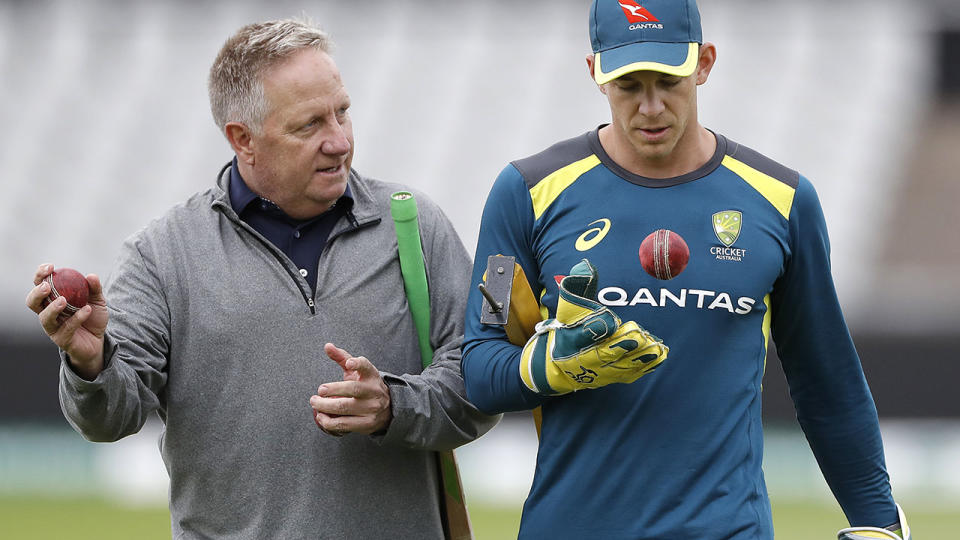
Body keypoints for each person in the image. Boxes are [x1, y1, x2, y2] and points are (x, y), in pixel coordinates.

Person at [25, 18, 497, 539]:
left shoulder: (413, 225)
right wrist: (91, 363)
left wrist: (395, 405)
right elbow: (110, 418)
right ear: (242, 139)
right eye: (309, 124)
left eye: (342, 113)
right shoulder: (162, 254)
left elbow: (482, 382)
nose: (339, 141)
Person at [461, 0, 910, 538]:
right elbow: (481, 368)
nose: (651, 107)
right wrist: (544, 370)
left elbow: (826, 380)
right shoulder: (525, 192)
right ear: (594, 73)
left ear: (704, 63)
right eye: (629, 85)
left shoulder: (783, 201)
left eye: (668, 81)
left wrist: (879, 521)